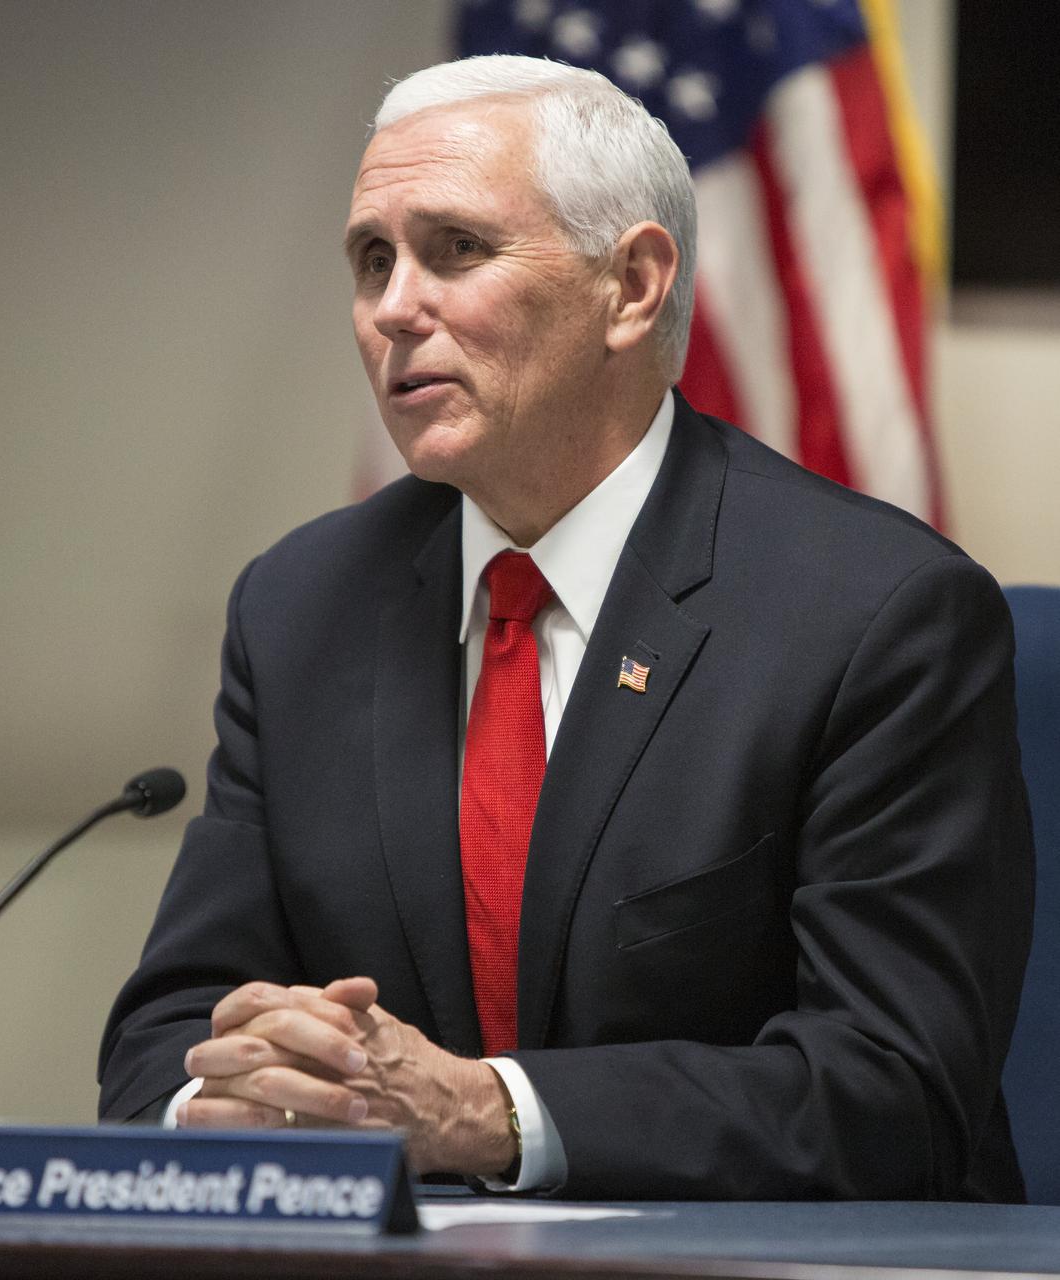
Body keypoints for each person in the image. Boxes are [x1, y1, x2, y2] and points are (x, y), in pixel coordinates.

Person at [99, 55, 1034, 1201]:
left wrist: (487, 1112)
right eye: (371, 259)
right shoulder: (301, 608)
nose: (394, 306)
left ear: (631, 286)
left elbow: (895, 1087)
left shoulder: (874, 614)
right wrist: (230, 1096)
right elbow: (166, 1033)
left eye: (456, 249)